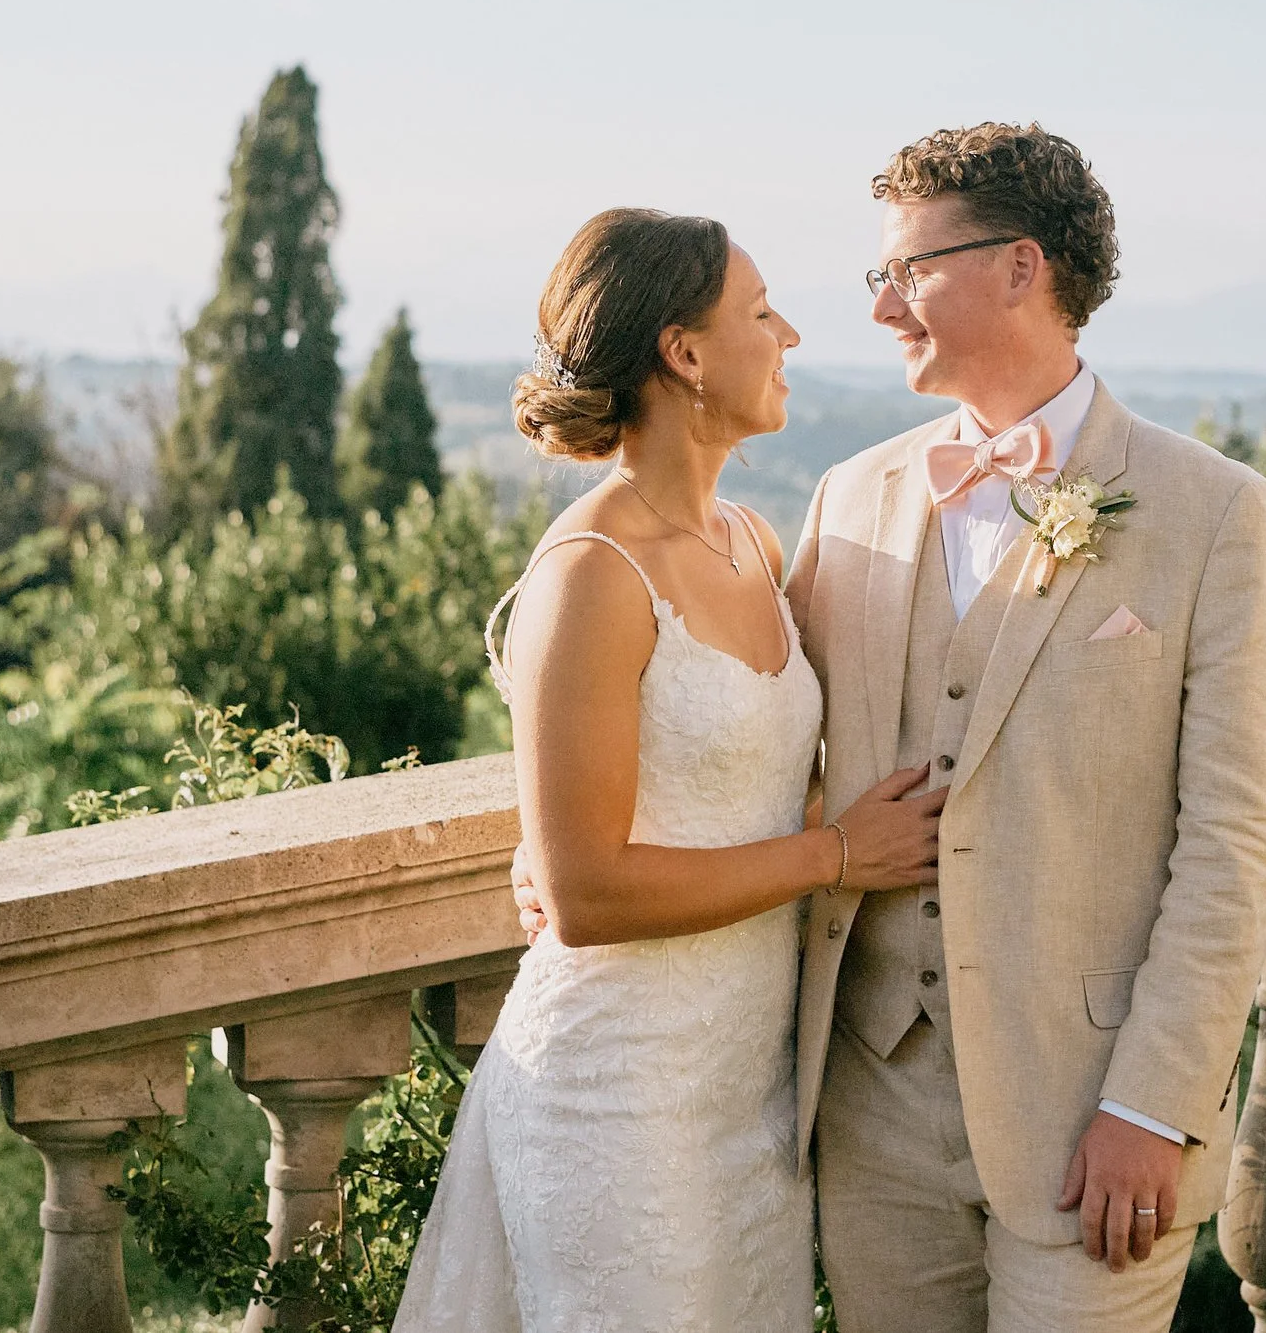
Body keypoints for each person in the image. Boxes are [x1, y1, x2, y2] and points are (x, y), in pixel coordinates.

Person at [520, 126, 1266, 1333]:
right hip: (868, 1113)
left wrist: (1155, 1107)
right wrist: (547, 842)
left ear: (1018, 267)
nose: (881, 304)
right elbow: (723, 715)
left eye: (909, 270)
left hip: (1089, 1119)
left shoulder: (1217, 517)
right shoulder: (852, 497)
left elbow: (1238, 844)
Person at [391, 207, 944, 1333]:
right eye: (758, 311)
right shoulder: (591, 573)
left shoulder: (754, 542)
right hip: (615, 1095)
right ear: (684, 355)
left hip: (746, 1095)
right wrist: (834, 855)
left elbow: (738, 774)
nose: (787, 332)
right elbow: (585, 895)